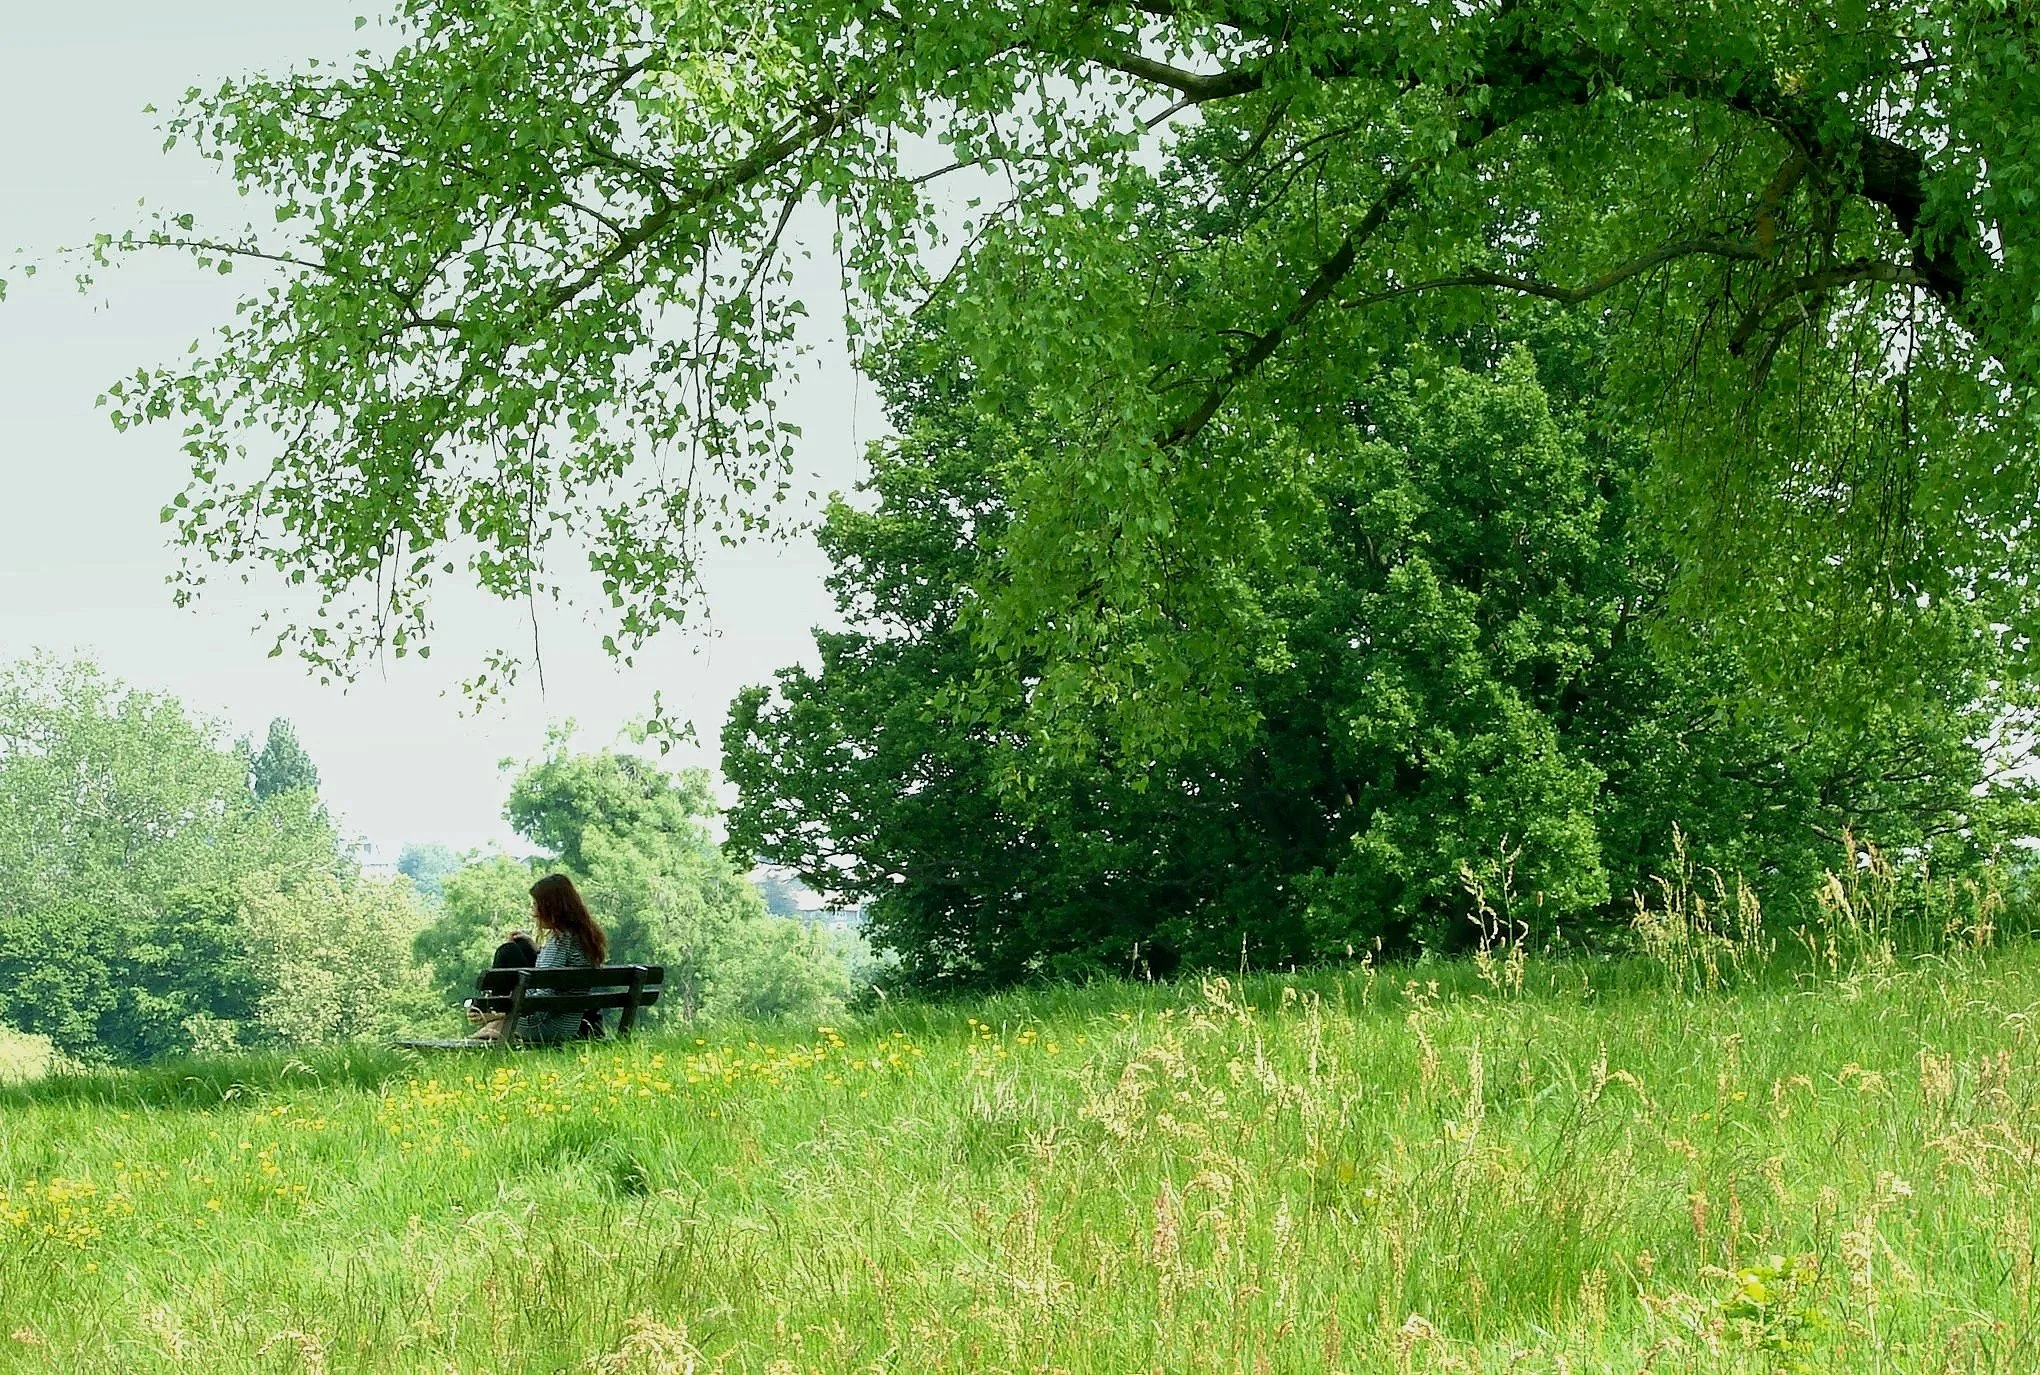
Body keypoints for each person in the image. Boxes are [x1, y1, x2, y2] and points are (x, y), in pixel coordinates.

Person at [470, 874, 610, 1044]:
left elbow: (541, 1004)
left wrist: (499, 1015)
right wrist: (533, 948)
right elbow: (556, 975)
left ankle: (495, 1023)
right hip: (569, 1023)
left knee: (507, 951)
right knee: (519, 947)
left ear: (551, 908)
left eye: (537, 905)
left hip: (547, 1027)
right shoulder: (584, 937)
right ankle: (496, 1022)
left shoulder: (560, 941)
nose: (533, 912)